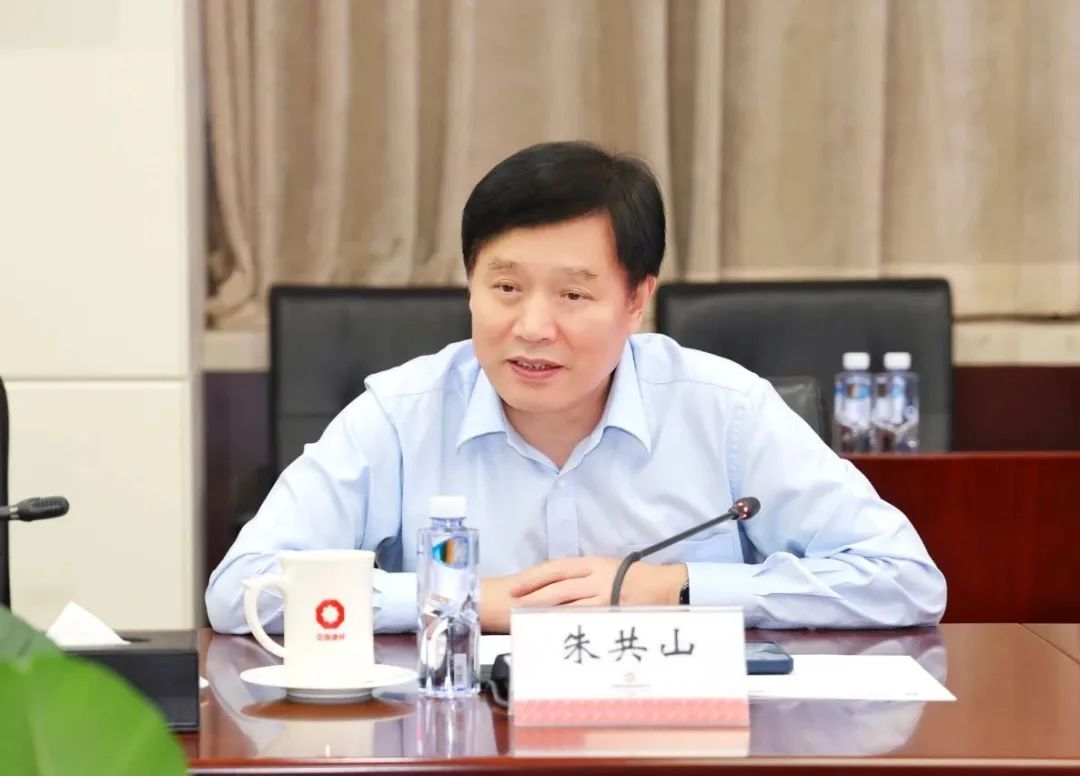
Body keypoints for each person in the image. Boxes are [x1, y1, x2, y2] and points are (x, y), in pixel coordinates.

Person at [206, 141, 946, 635]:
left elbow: (905, 579)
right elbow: (242, 589)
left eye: (573, 295)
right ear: (470, 287)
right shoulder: (401, 415)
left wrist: (676, 588)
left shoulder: (724, 410)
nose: (532, 327)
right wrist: (466, 598)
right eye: (505, 287)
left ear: (636, 299)